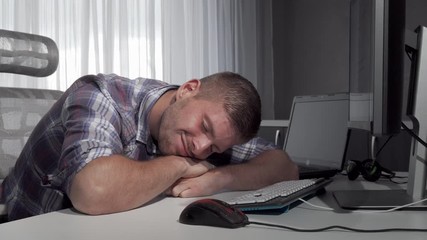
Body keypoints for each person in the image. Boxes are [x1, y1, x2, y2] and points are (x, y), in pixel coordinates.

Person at [0, 71, 298, 221]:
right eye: (204, 127)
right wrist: (180, 165)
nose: (200, 148)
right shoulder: (101, 95)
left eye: (214, 149)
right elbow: (93, 191)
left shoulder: (209, 138)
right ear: (188, 90)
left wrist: (219, 178)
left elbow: (285, 167)